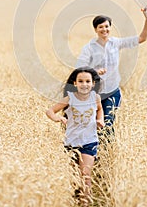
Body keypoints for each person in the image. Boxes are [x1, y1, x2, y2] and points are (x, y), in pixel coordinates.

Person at [76, 5, 147, 137]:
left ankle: (108, 153)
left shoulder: (116, 43)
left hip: (112, 92)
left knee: (108, 124)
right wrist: (95, 72)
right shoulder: (89, 48)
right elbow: (79, 68)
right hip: (94, 94)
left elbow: (141, 38)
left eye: (106, 26)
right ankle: (94, 155)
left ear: (110, 27)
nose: (104, 29)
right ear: (95, 29)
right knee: (94, 124)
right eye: (101, 27)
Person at [46, 67, 105, 206]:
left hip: (89, 141)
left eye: (87, 81)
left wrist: (100, 119)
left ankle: (85, 203)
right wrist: (58, 119)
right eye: (81, 81)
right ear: (75, 83)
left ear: (92, 83)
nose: (84, 84)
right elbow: (50, 111)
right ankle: (74, 201)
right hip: (71, 142)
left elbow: (100, 109)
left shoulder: (95, 97)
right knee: (74, 177)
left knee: (86, 175)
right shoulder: (69, 99)